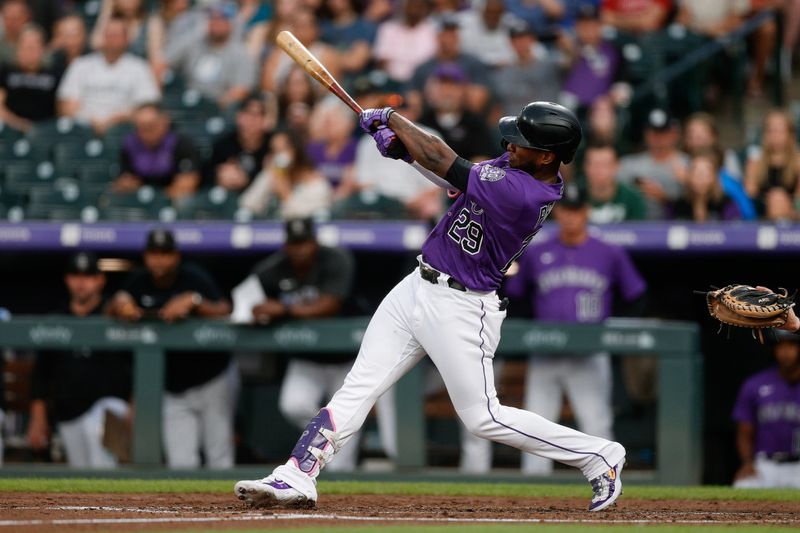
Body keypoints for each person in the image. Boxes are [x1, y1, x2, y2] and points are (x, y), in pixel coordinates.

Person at [235, 100, 627, 512]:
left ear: (547, 156)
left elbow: (445, 159)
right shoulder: (518, 167)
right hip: (417, 286)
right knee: (360, 385)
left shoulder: (527, 193)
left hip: (462, 306)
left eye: (521, 143)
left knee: (483, 417)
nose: (510, 145)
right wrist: (404, 152)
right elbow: (452, 178)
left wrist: (392, 120)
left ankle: (599, 456)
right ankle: (298, 474)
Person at [504, 183, 646, 475]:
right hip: (546, 350)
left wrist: (609, 331)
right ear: (558, 214)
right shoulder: (537, 250)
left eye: (577, 211)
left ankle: (607, 480)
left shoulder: (608, 252)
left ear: (586, 212)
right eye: (566, 211)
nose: (571, 217)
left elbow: (636, 296)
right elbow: (516, 295)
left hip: (589, 351)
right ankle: (531, 491)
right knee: (535, 424)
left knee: (596, 423)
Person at [241, 218, 394, 470]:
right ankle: (328, 435)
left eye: (304, 243)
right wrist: (255, 309)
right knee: (293, 404)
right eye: (294, 244)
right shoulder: (272, 268)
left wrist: (283, 308)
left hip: (346, 358)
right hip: (307, 358)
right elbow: (247, 300)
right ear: (286, 245)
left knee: (345, 417)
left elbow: (329, 304)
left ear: (314, 243)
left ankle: (341, 478)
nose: (299, 249)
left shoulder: (336, 259)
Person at [106, 228, 236, 468]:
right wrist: (120, 302)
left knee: (219, 456)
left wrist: (194, 301)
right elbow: (112, 307)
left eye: (165, 253)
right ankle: (190, 507)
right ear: (146, 256)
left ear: (176, 256)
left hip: (210, 380)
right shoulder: (138, 281)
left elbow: (225, 310)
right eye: (154, 253)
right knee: (181, 462)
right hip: (172, 389)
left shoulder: (193, 277)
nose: (159, 259)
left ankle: (230, 506)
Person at [27, 252, 133, 468]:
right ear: (67, 279)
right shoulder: (57, 320)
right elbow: (41, 375)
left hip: (111, 409)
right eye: (76, 275)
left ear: (100, 280)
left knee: (96, 433)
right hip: (69, 413)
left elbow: (136, 366)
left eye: (88, 275)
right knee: (81, 473)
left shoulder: (113, 315)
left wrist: (136, 407)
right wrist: (38, 419)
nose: (81, 282)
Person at [56, 16, 160, 136]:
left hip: (124, 128)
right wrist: (92, 121)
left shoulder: (139, 67)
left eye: (116, 35)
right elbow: (66, 105)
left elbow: (147, 107)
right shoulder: (80, 65)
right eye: (109, 35)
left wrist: (118, 118)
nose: (112, 40)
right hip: (82, 128)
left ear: (126, 39)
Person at [732, 331, 800, 488]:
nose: (785, 352)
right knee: (743, 486)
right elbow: (744, 431)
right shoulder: (755, 384)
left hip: (798, 465)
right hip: (766, 465)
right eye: (780, 346)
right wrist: (747, 462)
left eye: (791, 345)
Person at [166, 1, 257, 109]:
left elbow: (240, 90)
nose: (216, 22)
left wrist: (214, 107)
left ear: (231, 23)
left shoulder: (240, 53)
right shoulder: (195, 42)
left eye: (222, 18)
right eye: (213, 18)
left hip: (216, 107)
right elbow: (163, 61)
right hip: (186, 99)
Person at [114, 103, 201, 200]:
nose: (147, 132)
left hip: (171, 199)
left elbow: (187, 183)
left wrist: (158, 200)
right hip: (141, 198)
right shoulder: (129, 145)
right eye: (142, 128)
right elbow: (124, 180)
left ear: (164, 122)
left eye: (151, 126)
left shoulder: (181, 143)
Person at [240, 129, 332, 219]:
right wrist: (267, 175)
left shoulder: (317, 185)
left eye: (284, 149)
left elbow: (300, 216)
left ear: (296, 150)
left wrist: (285, 192)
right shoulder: (272, 175)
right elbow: (247, 204)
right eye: (275, 151)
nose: (280, 156)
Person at [617, 108, 688, 220]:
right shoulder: (629, 164)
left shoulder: (688, 164)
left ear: (674, 133)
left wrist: (666, 197)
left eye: (663, 132)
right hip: (635, 227)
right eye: (653, 132)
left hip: (676, 227)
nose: (658, 137)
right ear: (646, 134)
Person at [417, 63, 495, 163]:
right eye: (442, 86)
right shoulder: (422, 123)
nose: (447, 92)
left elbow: (482, 161)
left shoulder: (476, 125)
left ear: (464, 91)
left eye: (453, 86)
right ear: (430, 91)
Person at [205, 93, 274, 192]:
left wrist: (246, 180)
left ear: (265, 121)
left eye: (257, 115)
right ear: (239, 117)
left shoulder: (272, 145)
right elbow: (205, 175)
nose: (252, 120)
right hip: (224, 195)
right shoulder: (223, 144)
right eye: (248, 114)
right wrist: (219, 175)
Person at [0, 25, 63, 132]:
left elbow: (62, 108)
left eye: (34, 47)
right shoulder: (6, 72)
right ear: (17, 48)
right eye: (26, 46)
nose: (30, 51)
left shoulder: (55, 74)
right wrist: (19, 124)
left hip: (46, 130)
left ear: (42, 49)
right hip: (10, 127)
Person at [744, 109, 800, 221]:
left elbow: (798, 199)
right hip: (762, 214)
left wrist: (785, 206)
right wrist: (772, 201)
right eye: (771, 131)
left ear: (790, 134)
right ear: (765, 134)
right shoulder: (755, 161)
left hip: (793, 215)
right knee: (776, 199)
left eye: (780, 131)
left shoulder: (798, 161)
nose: (775, 135)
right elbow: (750, 194)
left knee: (778, 199)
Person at [372, 0, 437, 83]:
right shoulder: (388, 28)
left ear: (424, 9)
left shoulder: (432, 31)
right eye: (411, 5)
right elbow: (382, 59)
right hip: (391, 80)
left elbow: (431, 61)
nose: (414, 10)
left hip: (420, 81)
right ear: (404, 7)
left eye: (418, 6)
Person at [583, 143, 646, 224]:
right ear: (585, 166)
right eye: (594, 164)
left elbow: (639, 231)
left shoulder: (633, 198)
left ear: (616, 166)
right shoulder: (574, 195)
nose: (599, 170)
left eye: (605, 165)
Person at [670, 151, 740, 222]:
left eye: (705, 173)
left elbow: (735, 228)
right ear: (689, 176)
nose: (700, 178)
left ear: (714, 177)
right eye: (696, 172)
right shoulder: (678, 204)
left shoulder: (726, 203)